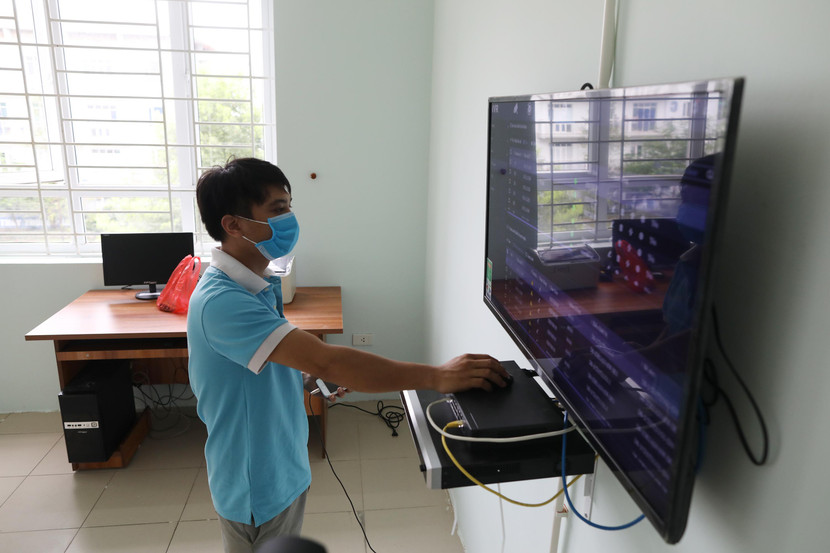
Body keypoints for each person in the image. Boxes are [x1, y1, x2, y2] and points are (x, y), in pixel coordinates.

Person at [186, 157, 509, 553]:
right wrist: (437, 377)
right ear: (233, 225)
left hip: (283, 465)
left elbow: (270, 365)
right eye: (278, 209)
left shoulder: (256, 284)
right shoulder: (223, 301)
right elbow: (327, 360)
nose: (289, 219)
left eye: (289, 206)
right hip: (255, 482)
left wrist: (307, 379)